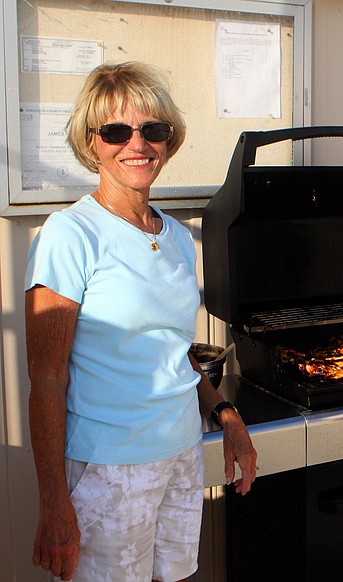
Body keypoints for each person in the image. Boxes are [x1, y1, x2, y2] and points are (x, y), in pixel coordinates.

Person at [25, 61, 257, 582]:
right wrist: (53, 503)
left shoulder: (174, 235)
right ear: (92, 143)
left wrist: (225, 413)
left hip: (180, 453)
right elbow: (46, 378)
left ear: (168, 140)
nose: (137, 143)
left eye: (153, 130)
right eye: (116, 130)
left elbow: (174, 351)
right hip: (109, 469)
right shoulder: (70, 235)